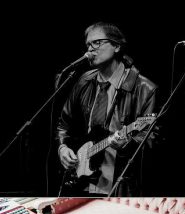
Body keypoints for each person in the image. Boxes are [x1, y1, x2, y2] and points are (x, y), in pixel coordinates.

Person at [57, 22, 158, 196]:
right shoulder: (84, 81)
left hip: (120, 186)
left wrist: (126, 143)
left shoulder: (144, 88)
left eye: (97, 43)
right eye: (88, 44)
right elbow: (64, 125)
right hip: (81, 182)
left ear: (117, 46)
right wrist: (62, 148)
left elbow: (152, 137)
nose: (90, 50)